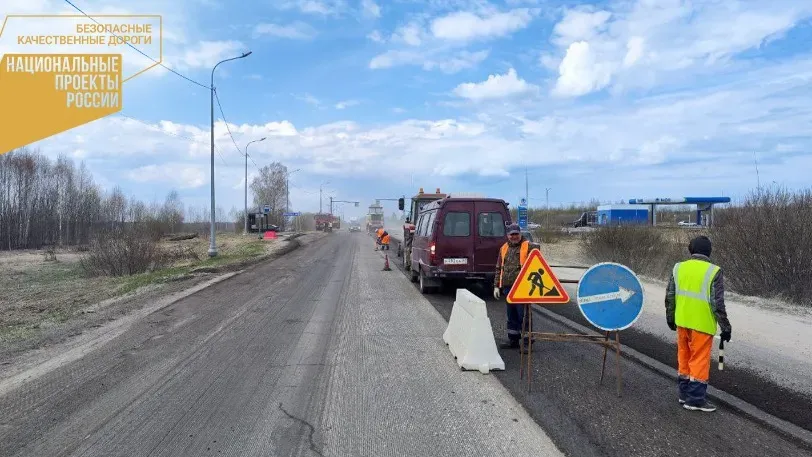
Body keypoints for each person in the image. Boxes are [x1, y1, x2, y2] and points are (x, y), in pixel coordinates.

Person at [665, 235, 732, 412]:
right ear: (709, 252)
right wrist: (726, 327)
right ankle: (695, 400)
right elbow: (717, 303)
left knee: (684, 358)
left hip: (682, 322)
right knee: (699, 361)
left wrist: (670, 318)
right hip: (702, 324)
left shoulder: (678, 268)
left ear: (691, 250)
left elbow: (670, 297)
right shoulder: (714, 271)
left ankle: (683, 394)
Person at [494, 224, 540, 352]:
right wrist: (496, 286)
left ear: (520, 234)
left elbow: (537, 256)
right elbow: (499, 268)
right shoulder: (503, 248)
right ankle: (513, 339)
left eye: (516, 234)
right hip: (508, 288)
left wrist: (534, 246)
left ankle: (527, 342)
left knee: (524, 316)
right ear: (507, 236)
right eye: (511, 234)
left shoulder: (528, 245)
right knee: (512, 315)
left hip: (523, 288)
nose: (514, 236)